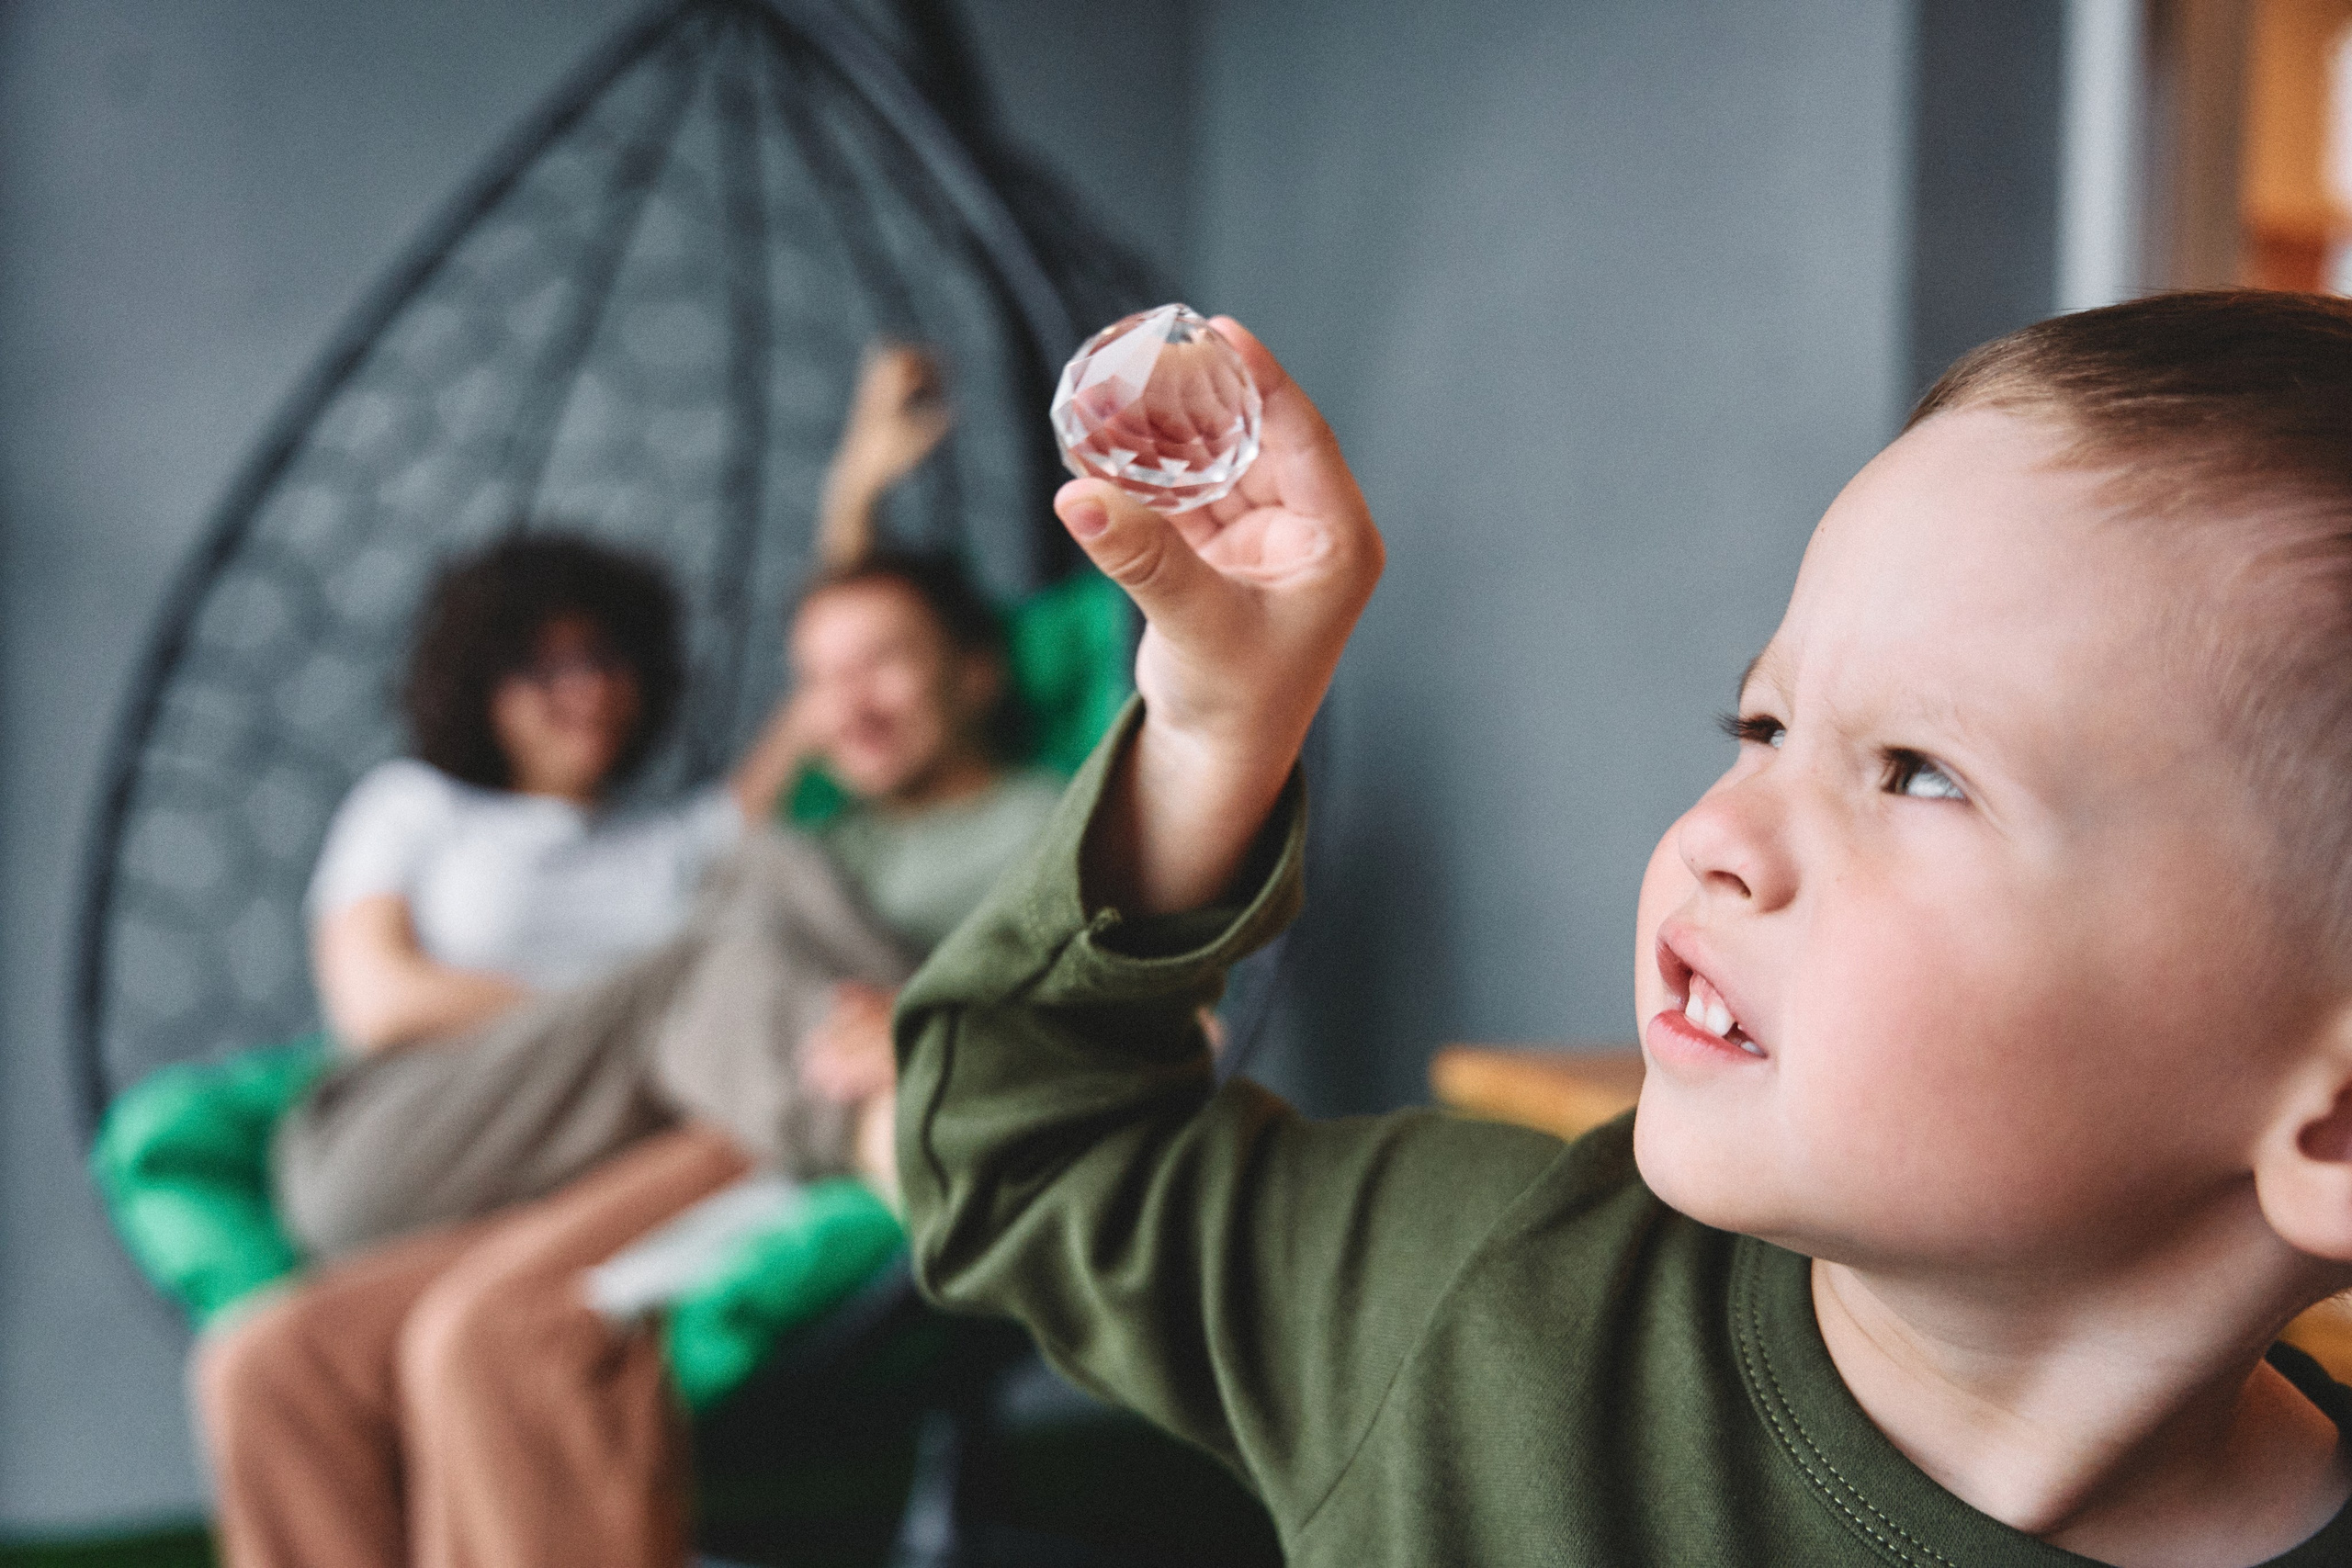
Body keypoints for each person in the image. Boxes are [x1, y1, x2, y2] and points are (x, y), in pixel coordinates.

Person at [895, 292, 2352, 1565]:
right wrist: (1214, 737)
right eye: (1762, 723)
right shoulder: (1484, 1301)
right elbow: (1018, 1147)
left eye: (1919, 773)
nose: (1718, 835)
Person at [193, 348, 1060, 1568]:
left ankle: (914, 1119)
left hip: (759, 1100)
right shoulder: (800, 834)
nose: (843, 704)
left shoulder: (1033, 827)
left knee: (340, 1350)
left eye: (887, 668)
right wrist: (855, 502)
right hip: (618, 1091)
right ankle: (882, 1106)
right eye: (819, 682)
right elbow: (379, 995)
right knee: (278, 1354)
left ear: (975, 672)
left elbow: (1121, 962)